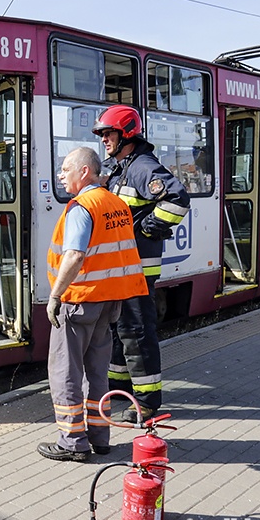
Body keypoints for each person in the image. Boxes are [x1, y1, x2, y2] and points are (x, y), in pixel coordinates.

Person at [37, 147, 148, 462]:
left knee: (65, 372)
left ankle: (72, 442)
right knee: (97, 371)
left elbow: (74, 255)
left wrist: (56, 296)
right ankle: (100, 437)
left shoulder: (82, 207)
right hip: (108, 303)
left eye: (64, 169)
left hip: (79, 302)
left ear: (83, 171)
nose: (61, 176)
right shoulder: (116, 204)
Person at [92, 105, 191, 423]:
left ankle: (147, 404)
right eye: (103, 134)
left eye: (108, 133)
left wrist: (147, 229)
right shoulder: (122, 168)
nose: (104, 139)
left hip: (137, 269)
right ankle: (119, 392)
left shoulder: (142, 166)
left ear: (126, 134)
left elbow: (177, 198)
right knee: (121, 331)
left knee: (137, 332)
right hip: (124, 269)